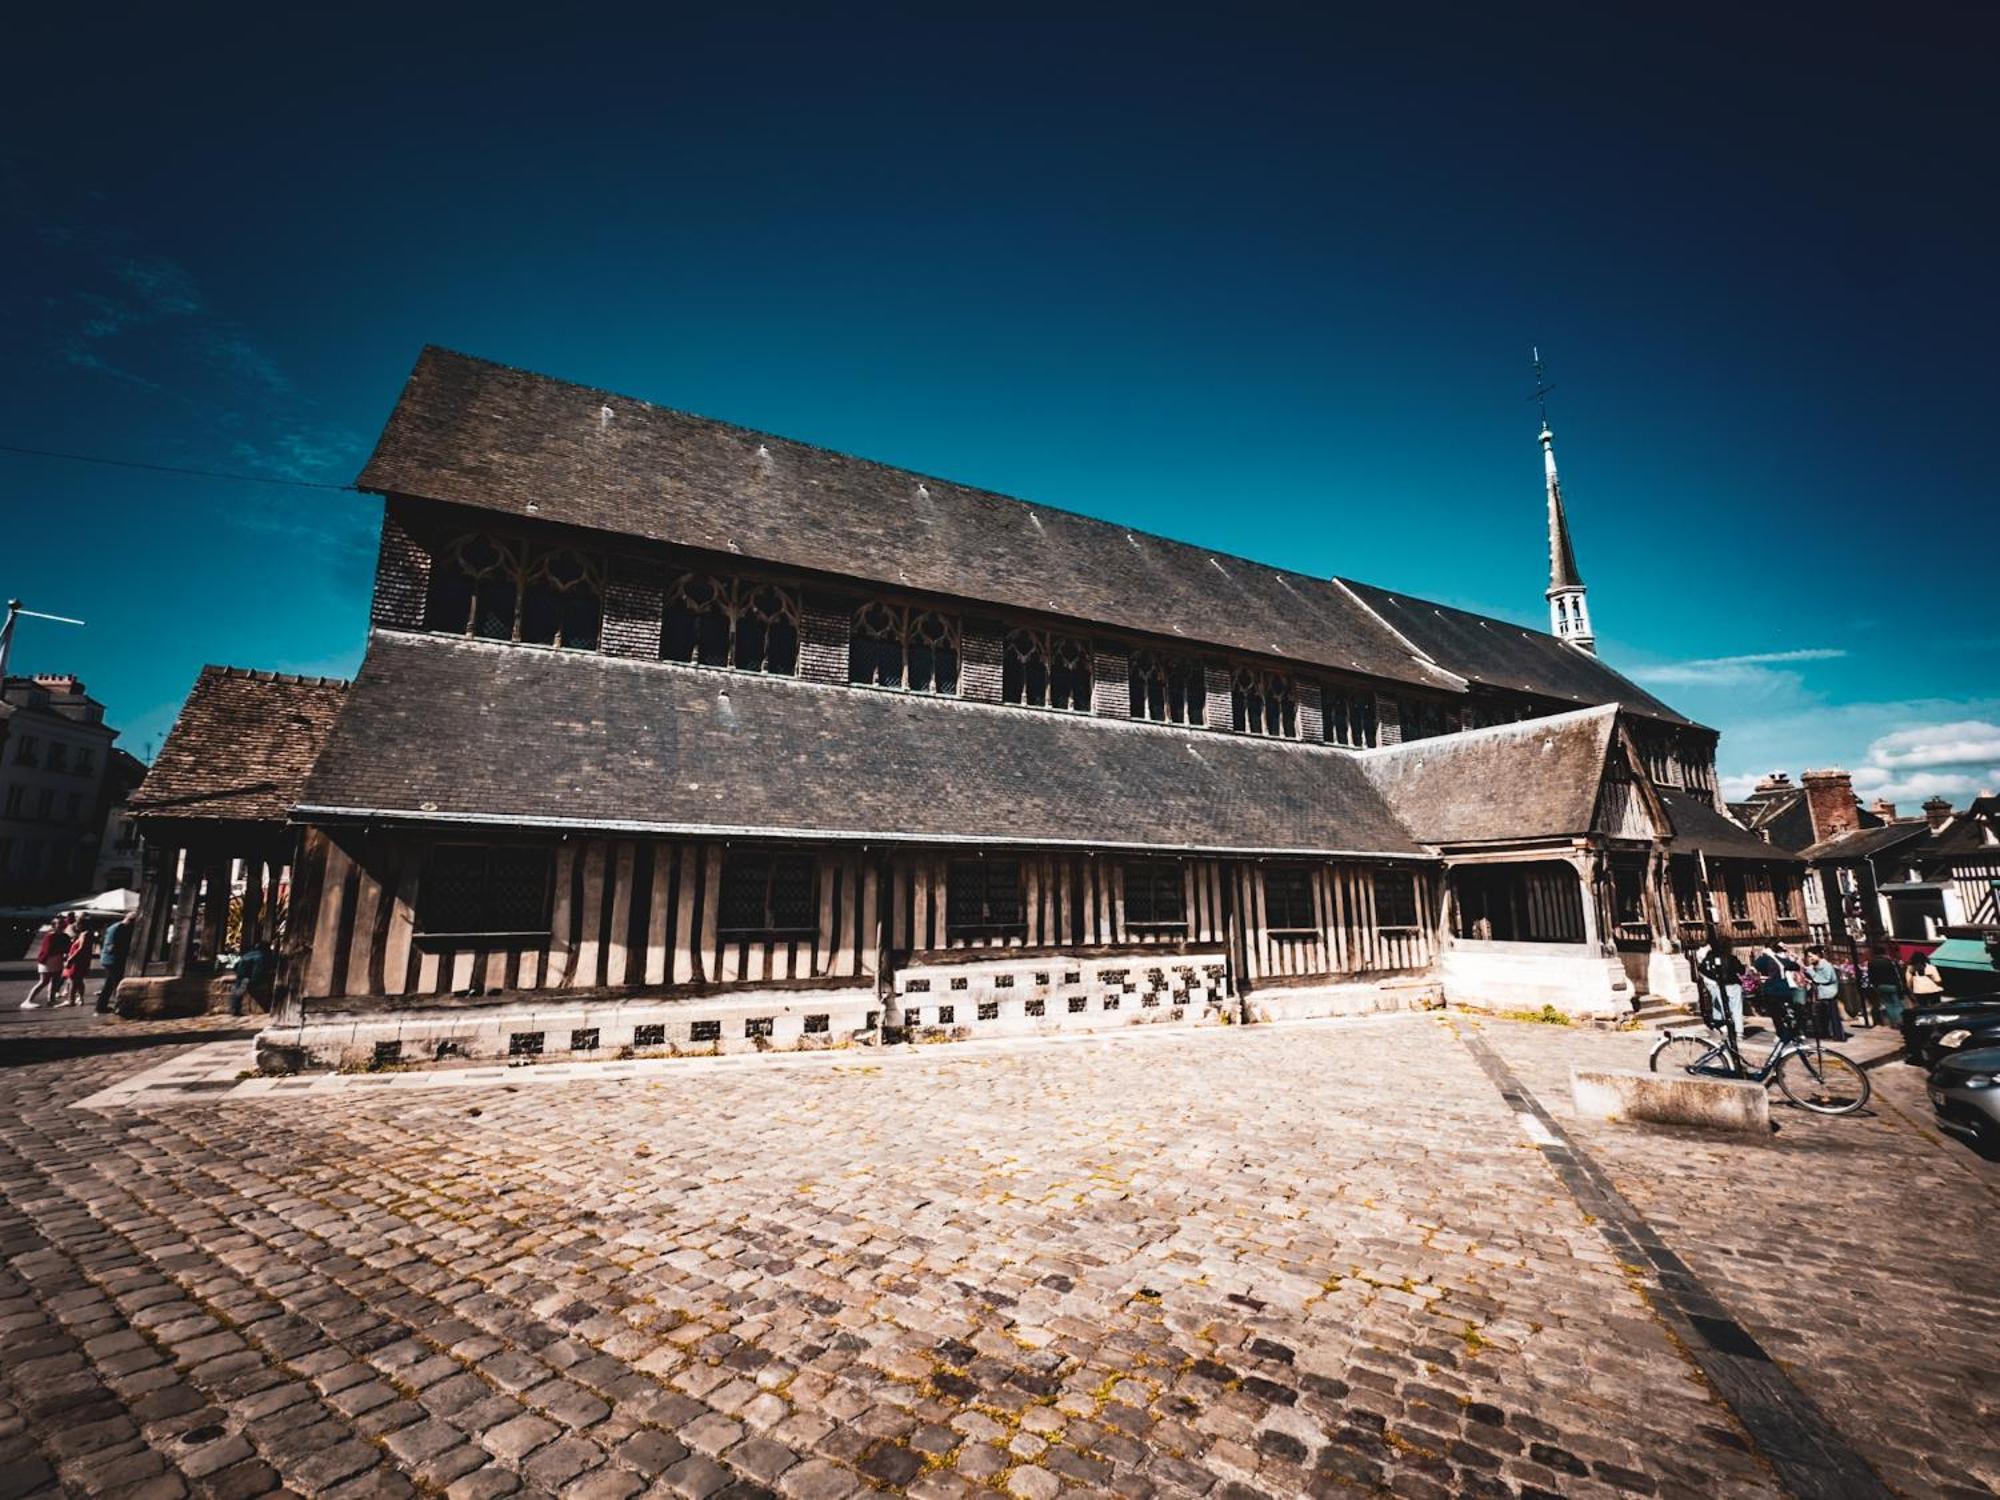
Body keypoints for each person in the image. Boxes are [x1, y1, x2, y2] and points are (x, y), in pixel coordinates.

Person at [1698, 939, 1748, 1041]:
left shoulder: (1710, 958)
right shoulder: (1731, 958)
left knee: (1725, 1008)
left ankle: (1728, 1029)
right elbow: (1741, 970)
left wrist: (1714, 978)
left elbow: (1702, 969)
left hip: (1720, 985)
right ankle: (1739, 1032)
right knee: (1737, 1008)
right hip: (1733, 984)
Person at [21, 914, 70, 1009]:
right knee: (44, 981)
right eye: (58, 923)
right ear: (54, 925)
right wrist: (62, 951)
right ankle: (28, 1000)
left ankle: (51, 1000)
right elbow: (48, 950)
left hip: (58, 960)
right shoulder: (50, 936)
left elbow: (67, 947)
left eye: (62, 923)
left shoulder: (64, 936)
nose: (61, 925)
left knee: (55, 981)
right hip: (47, 961)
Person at [1806, 946, 1846, 1041]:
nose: (1810, 958)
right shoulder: (1817, 966)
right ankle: (1827, 1033)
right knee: (1824, 1016)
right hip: (1823, 993)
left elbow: (1825, 979)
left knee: (1833, 1016)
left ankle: (1838, 1035)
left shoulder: (1825, 965)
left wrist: (1812, 973)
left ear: (1818, 955)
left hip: (1829, 993)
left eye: (1812, 956)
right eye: (1808, 956)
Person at [96, 915, 131, 1015]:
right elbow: (112, 946)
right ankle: (119, 1007)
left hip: (108, 959)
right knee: (117, 984)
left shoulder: (114, 927)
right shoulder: (119, 928)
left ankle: (101, 1006)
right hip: (113, 960)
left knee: (109, 984)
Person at [231, 938, 273, 1017]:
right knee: (240, 991)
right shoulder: (261, 956)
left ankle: (235, 1009)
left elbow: (236, 965)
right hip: (246, 976)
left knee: (238, 992)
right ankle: (236, 1010)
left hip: (240, 974)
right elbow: (257, 970)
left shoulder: (248, 954)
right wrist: (254, 980)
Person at [57, 921, 93, 1007]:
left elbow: (81, 948)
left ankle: (71, 1000)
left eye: (77, 925)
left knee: (72, 980)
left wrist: (70, 959)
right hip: (82, 960)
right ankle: (80, 998)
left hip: (78, 961)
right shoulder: (85, 934)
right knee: (79, 980)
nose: (76, 927)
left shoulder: (84, 934)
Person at [1866, 948, 1904, 1027]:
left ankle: (1893, 1022)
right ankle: (1900, 1021)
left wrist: (1875, 986)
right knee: (1897, 1004)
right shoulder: (1891, 961)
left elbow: (1871, 976)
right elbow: (1899, 974)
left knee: (1888, 1005)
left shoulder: (1871, 962)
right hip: (1893, 985)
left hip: (1881, 986)